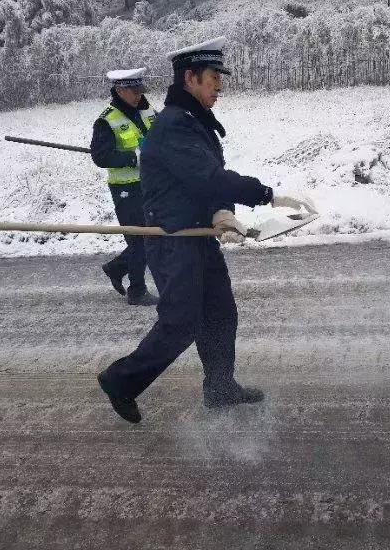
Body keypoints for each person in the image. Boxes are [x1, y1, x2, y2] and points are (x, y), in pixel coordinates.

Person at [97, 37, 316, 423]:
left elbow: (207, 184)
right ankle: (121, 380)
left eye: (219, 77)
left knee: (220, 311)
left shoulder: (194, 122)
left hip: (199, 236)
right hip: (173, 241)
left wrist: (222, 215)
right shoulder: (173, 128)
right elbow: (211, 177)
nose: (219, 85)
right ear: (190, 78)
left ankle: (219, 386)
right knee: (181, 323)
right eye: (213, 77)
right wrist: (266, 194)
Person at [90, 67, 158, 306]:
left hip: (152, 184)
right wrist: (132, 158)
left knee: (154, 236)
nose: (139, 95)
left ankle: (117, 267)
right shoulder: (107, 120)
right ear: (120, 90)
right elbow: (100, 156)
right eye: (134, 91)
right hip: (126, 189)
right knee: (140, 238)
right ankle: (137, 291)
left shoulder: (148, 110)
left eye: (141, 89)